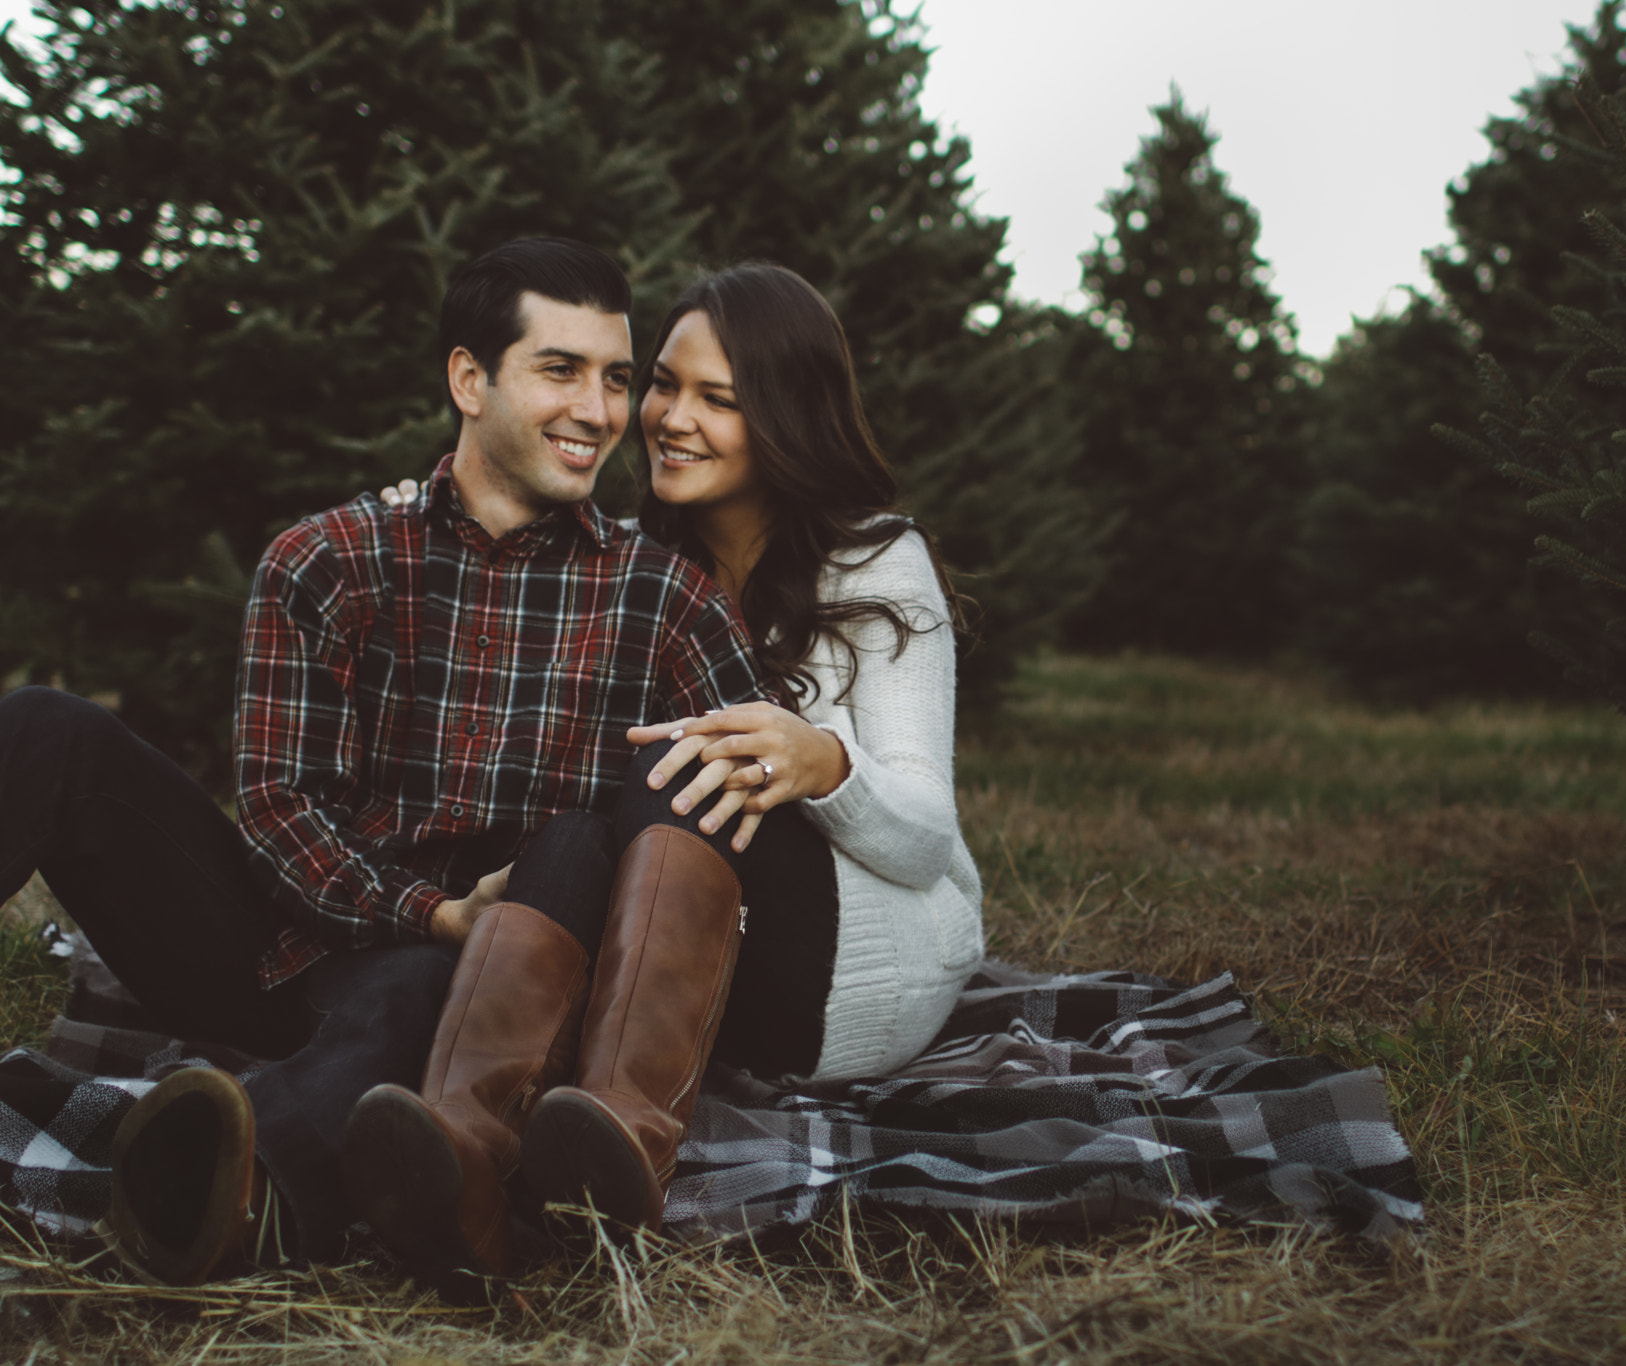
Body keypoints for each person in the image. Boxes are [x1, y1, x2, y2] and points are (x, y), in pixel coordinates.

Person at [0, 236, 775, 1285]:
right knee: (51, 725)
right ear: (469, 378)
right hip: (283, 937)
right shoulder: (327, 559)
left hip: (486, 996)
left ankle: (237, 1194)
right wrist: (428, 908)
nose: (599, 411)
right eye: (560, 370)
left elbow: (715, 833)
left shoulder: (664, 598)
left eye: (614, 378)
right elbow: (279, 810)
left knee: (423, 982)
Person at [350, 263, 984, 1280]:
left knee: (674, 765)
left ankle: (620, 1149)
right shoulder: (637, 561)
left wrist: (827, 765)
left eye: (718, 400)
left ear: (784, 417)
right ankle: (460, 1157)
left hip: (864, 967)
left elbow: (924, 843)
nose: (669, 418)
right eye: (663, 384)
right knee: (568, 834)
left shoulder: (875, 563)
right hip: (689, 961)